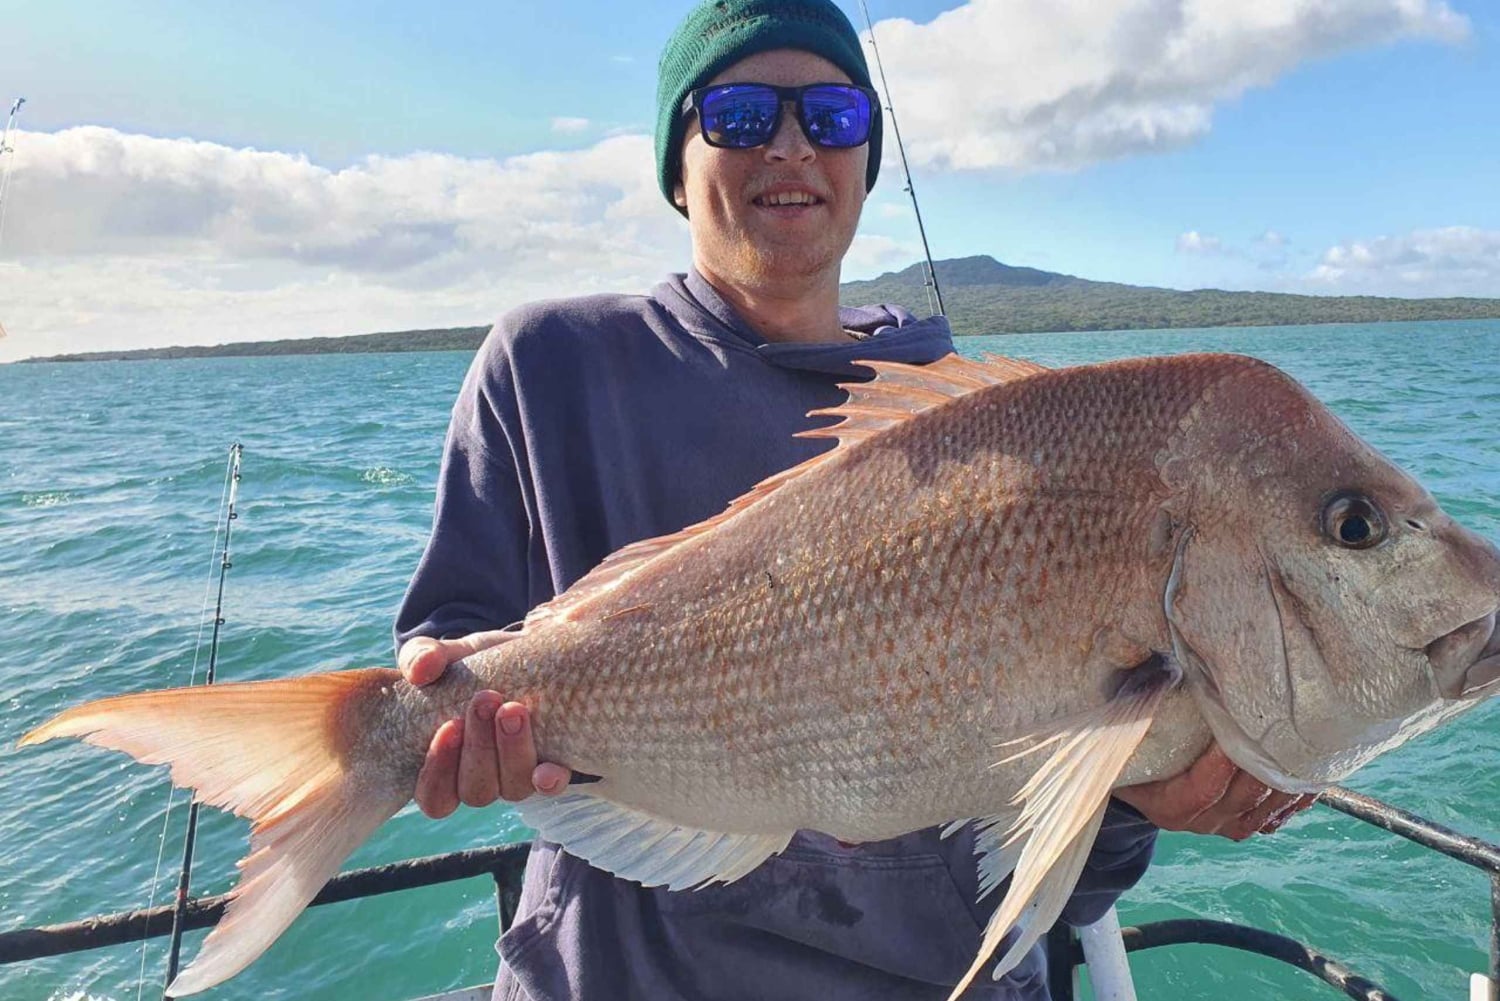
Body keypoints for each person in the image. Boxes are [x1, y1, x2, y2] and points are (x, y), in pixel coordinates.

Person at [394, 2, 1315, 998]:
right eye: (743, 114)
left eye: (832, 118)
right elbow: (449, 642)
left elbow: (1059, 850)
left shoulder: (1008, 431)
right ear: (675, 160)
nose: (790, 146)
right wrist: (444, 734)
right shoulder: (547, 364)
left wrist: (1139, 794)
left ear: (867, 159)